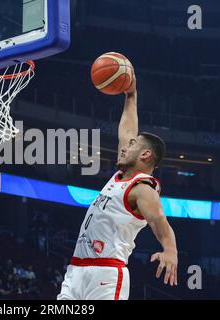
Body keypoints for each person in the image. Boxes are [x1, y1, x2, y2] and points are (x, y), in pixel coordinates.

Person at [58, 77, 178, 300]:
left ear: (145, 155)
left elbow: (160, 221)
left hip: (106, 273)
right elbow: (127, 128)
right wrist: (131, 95)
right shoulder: (122, 175)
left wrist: (170, 250)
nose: (124, 145)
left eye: (132, 144)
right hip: (75, 270)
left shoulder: (143, 189)